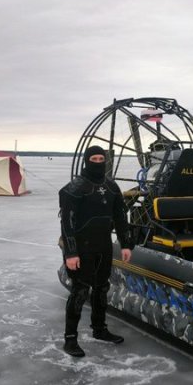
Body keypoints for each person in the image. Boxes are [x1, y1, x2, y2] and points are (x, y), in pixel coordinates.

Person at [59, 145, 133, 357]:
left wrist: (126, 244)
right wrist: (71, 253)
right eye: (95, 158)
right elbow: (67, 223)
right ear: (86, 160)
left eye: (102, 158)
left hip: (103, 246)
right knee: (80, 291)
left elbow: (120, 217)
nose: (98, 162)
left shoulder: (111, 186)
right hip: (81, 248)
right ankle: (70, 339)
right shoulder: (74, 188)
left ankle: (99, 329)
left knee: (101, 288)